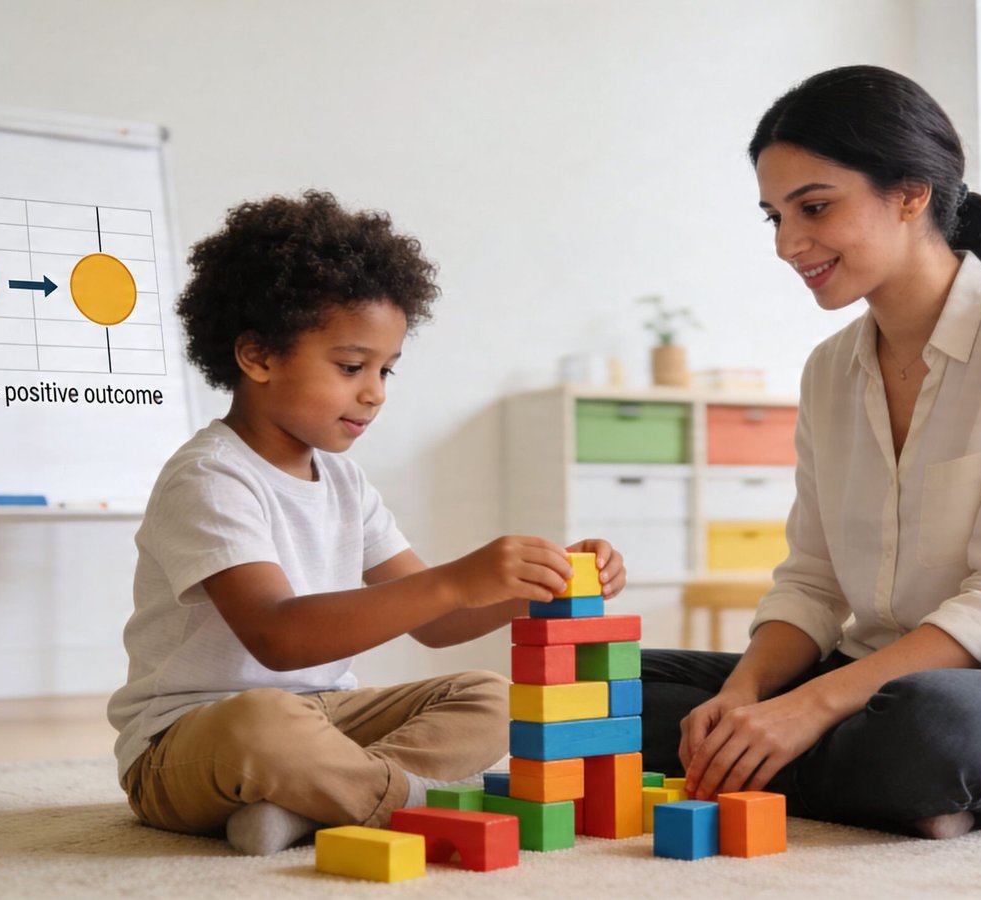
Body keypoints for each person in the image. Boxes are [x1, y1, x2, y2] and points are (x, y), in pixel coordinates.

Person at [641, 66, 981, 840]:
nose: (787, 243)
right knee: (609, 690)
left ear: (911, 195)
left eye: (813, 208)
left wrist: (805, 707)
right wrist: (747, 694)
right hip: (864, 682)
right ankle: (881, 788)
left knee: (929, 729)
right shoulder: (830, 370)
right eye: (773, 216)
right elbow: (812, 578)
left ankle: (861, 772)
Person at [107, 191, 625, 855]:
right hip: (191, 739)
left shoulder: (343, 480)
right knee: (262, 725)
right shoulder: (210, 477)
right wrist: (456, 580)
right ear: (258, 357)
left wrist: (541, 584)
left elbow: (436, 623)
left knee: (493, 696)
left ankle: (307, 807)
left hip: (326, 716)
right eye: (351, 367)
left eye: (385, 369)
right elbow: (278, 636)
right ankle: (412, 802)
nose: (375, 390)